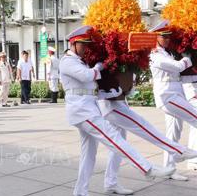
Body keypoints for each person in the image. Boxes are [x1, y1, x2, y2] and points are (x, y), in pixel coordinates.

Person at [60, 25, 175, 196]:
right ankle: (147, 168)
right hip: (82, 111)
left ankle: (80, 192)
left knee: (88, 155)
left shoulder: (79, 62)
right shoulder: (67, 62)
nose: (86, 48)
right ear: (73, 44)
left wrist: (114, 90)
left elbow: (92, 88)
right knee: (113, 138)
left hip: (87, 109)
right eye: (83, 44)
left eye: (87, 44)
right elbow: (87, 76)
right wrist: (99, 66)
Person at [97, 82, 197, 194]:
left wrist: (126, 85)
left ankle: (110, 183)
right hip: (109, 105)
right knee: (144, 127)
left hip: (117, 103)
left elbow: (125, 87)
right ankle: (178, 151)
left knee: (117, 147)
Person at [149, 20, 197, 181]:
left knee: (173, 133)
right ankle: (183, 155)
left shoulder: (167, 53)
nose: (168, 39)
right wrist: (189, 57)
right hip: (168, 95)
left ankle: (170, 168)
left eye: (169, 36)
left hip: (175, 94)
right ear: (156, 37)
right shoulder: (154, 54)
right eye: (164, 36)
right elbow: (177, 67)